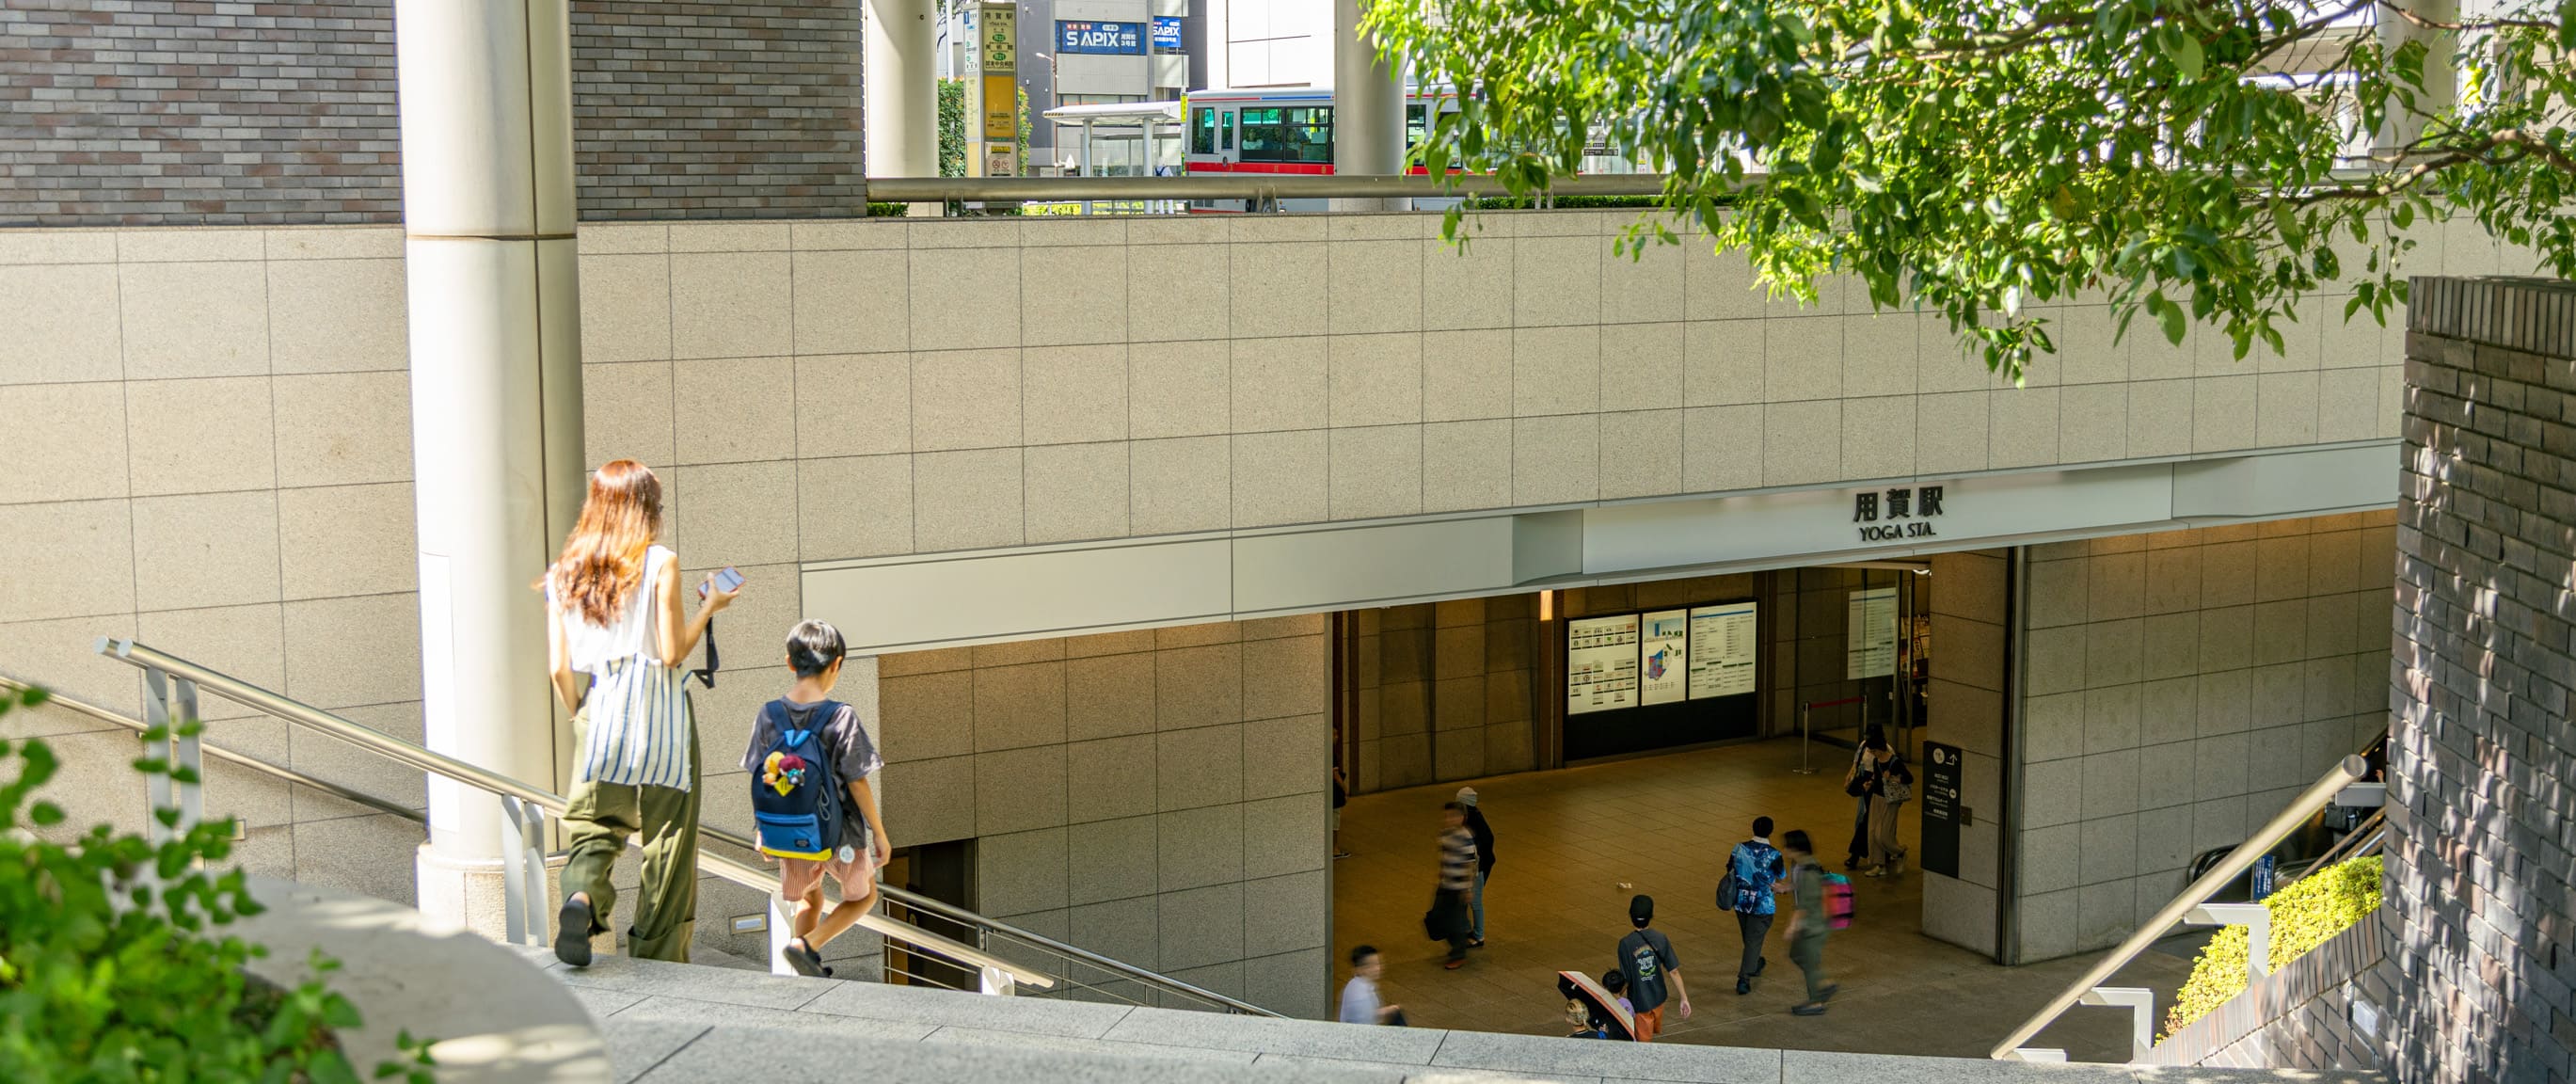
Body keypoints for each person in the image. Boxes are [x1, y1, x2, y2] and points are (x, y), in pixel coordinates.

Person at [546, 460, 738, 965]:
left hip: (600, 705)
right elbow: (672, 652)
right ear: (646, 508)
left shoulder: (564, 571)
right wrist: (709, 607)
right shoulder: (660, 562)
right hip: (662, 713)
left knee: (595, 826)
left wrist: (579, 717)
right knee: (669, 840)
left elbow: (558, 668)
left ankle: (581, 900)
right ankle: (660, 957)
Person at [742, 620, 890, 976]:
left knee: (810, 897)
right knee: (864, 896)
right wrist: (879, 833)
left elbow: (759, 775)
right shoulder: (841, 716)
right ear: (836, 663)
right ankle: (806, 945)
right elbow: (857, 782)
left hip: (790, 832)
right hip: (841, 834)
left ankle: (804, 969)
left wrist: (761, 829)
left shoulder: (769, 714)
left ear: (790, 663)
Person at [1724, 816, 1789, 995]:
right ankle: (1744, 978)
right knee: (1752, 939)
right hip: (1762, 905)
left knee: (1749, 937)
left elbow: (1729, 867)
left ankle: (1755, 961)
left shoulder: (1739, 848)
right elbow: (1781, 874)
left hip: (1741, 901)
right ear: (1770, 831)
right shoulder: (1774, 854)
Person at [1614, 894, 1691, 1041]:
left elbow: (1626, 977)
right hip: (1658, 997)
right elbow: (1673, 971)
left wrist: (1615, 999)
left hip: (1640, 1001)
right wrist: (1684, 998)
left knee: (1643, 1043)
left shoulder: (1625, 943)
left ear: (1630, 916)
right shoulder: (1660, 938)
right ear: (1651, 916)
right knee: (1650, 1032)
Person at [1783, 830, 1839, 1016]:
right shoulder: (1799, 865)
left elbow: (1804, 905)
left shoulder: (1809, 870)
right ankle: (1824, 984)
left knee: (1807, 960)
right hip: (1810, 923)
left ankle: (1816, 1002)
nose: (1785, 850)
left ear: (1797, 849)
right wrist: (1784, 888)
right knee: (1798, 955)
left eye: (1787, 846)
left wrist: (1792, 926)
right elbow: (1797, 885)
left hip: (1814, 924)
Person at [1435, 802, 1478, 969]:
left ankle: (1458, 954)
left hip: (1459, 887)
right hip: (1446, 883)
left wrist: (1467, 889)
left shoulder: (1465, 837)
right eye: (1447, 816)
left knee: (1455, 921)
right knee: (1440, 917)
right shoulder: (1445, 834)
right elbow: (1444, 855)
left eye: (1453, 816)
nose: (1449, 819)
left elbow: (1470, 865)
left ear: (1462, 818)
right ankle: (1457, 945)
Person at [1865, 736, 1914, 877]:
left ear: (1880, 748)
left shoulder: (1895, 762)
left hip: (1890, 800)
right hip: (1876, 797)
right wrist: (1870, 783)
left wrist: (1893, 778)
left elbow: (1909, 778)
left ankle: (1900, 852)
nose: (1873, 753)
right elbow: (1876, 776)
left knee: (1883, 835)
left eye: (1874, 750)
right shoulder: (1876, 761)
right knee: (1873, 834)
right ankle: (1880, 865)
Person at [1457, 786, 1497, 948]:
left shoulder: (1473, 821)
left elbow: (1485, 843)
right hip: (1478, 865)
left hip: (1479, 867)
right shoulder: (1472, 817)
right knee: (1469, 900)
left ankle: (1479, 936)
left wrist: (1475, 861)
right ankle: (1469, 929)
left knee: (1475, 902)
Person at [1338, 945, 1404, 1025]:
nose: (1377, 968)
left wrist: (1388, 1010)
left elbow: (1368, 1013)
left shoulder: (1353, 983)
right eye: (1371, 966)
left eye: (1378, 963)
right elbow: (1365, 1024)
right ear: (1359, 969)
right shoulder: (1361, 997)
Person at [1332, 765, 1352, 859]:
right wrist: (1345, 790)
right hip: (1333, 795)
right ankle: (1334, 849)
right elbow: (1335, 774)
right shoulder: (1330, 754)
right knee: (1334, 823)